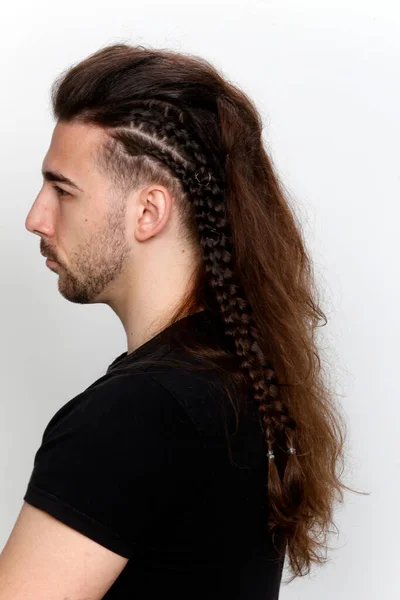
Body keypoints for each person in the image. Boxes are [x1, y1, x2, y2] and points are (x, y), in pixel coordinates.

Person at [0, 43, 359, 599]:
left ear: (148, 211)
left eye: (62, 189)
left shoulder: (137, 413)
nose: (35, 217)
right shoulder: (232, 377)